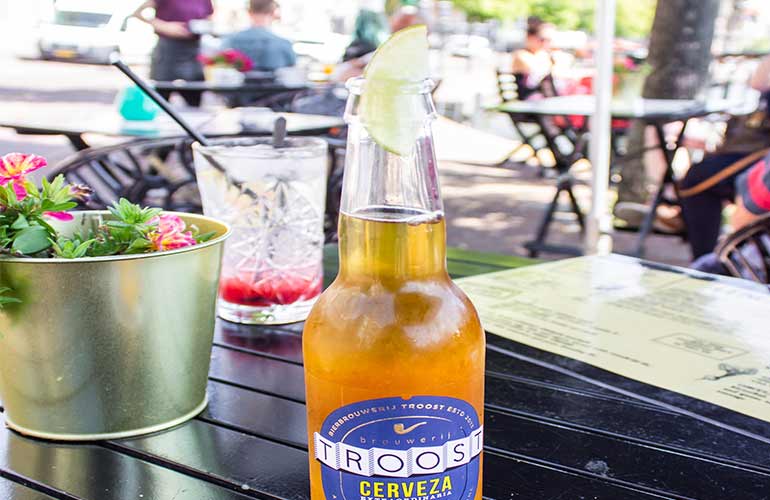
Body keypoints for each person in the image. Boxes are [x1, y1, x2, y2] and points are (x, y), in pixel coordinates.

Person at [678, 55, 770, 260]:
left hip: (759, 154)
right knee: (697, 177)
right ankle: (709, 255)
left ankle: (708, 261)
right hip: (752, 150)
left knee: (697, 179)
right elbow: (759, 82)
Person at [134, 0, 214, 107]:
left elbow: (209, 18)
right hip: (167, 50)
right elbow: (138, 13)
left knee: (195, 95)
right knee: (161, 96)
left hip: (193, 50)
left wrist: (202, 26)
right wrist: (165, 26)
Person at [222, 0, 296, 72]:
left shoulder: (230, 41)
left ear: (249, 12)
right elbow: (292, 68)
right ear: (273, 13)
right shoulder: (283, 44)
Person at [511, 17, 557, 100]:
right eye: (542, 39)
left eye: (548, 40)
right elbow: (537, 70)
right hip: (530, 97)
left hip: (544, 96)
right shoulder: (521, 54)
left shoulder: (543, 54)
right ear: (529, 37)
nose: (545, 43)